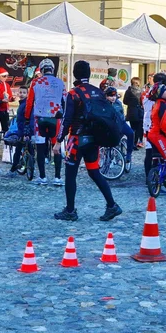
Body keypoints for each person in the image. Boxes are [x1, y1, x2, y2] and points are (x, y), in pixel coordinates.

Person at [53, 60, 122, 222]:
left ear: (74, 74)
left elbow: (66, 119)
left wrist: (58, 140)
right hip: (94, 139)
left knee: (70, 174)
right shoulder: (98, 92)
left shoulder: (73, 93)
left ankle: (70, 210)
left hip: (77, 140)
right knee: (94, 172)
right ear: (89, 74)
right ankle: (112, 205)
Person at [25, 58, 66, 186]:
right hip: (56, 118)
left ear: (41, 70)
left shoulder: (36, 82)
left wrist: (27, 118)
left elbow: (29, 102)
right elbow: (65, 101)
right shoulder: (60, 83)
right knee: (56, 148)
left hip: (39, 118)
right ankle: (58, 177)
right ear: (52, 69)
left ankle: (42, 177)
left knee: (40, 148)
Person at [6, 86, 34, 177]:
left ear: (27, 94)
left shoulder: (26, 105)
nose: (21, 94)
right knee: (29, 150)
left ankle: (14, 169)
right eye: (20, 92)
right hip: (23, 130)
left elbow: (28, 119)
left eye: (24, 93)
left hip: (24, 131)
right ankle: (29, 167)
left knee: (18, 150)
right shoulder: (23, 104)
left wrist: (26, 132)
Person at [105, 86, 134, 168]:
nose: (113, 98)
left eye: (114, 96)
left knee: (131, 133)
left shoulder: (118, 103)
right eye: (110, 96)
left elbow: (122, 116)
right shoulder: (103, 104)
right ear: (106, 96)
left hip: (120, 124)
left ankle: (128, 154)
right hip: (109, 126)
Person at [123, 77, 144, 149]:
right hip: (139, 111)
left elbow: (124, 101)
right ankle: (135, 143)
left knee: (132, 128)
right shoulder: (141, 91)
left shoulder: (128, 91)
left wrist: (131, 103)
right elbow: (142, 101)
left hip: (131, 111)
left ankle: (131, 143)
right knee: (138, 128)